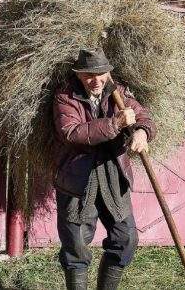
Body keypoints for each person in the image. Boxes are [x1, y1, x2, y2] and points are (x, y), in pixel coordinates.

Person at [53, 48, 156, 290]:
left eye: (101, 74)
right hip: (78, 179)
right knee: (75, 245)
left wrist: (142, 132)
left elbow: (143, 116)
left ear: (108, 73)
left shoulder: (117, 93)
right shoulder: (65, 97)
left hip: (112, 174)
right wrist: (115, 124)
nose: (95, 80)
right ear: (79, 75)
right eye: (89, 74)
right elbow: (72, 132)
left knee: (125, 238)